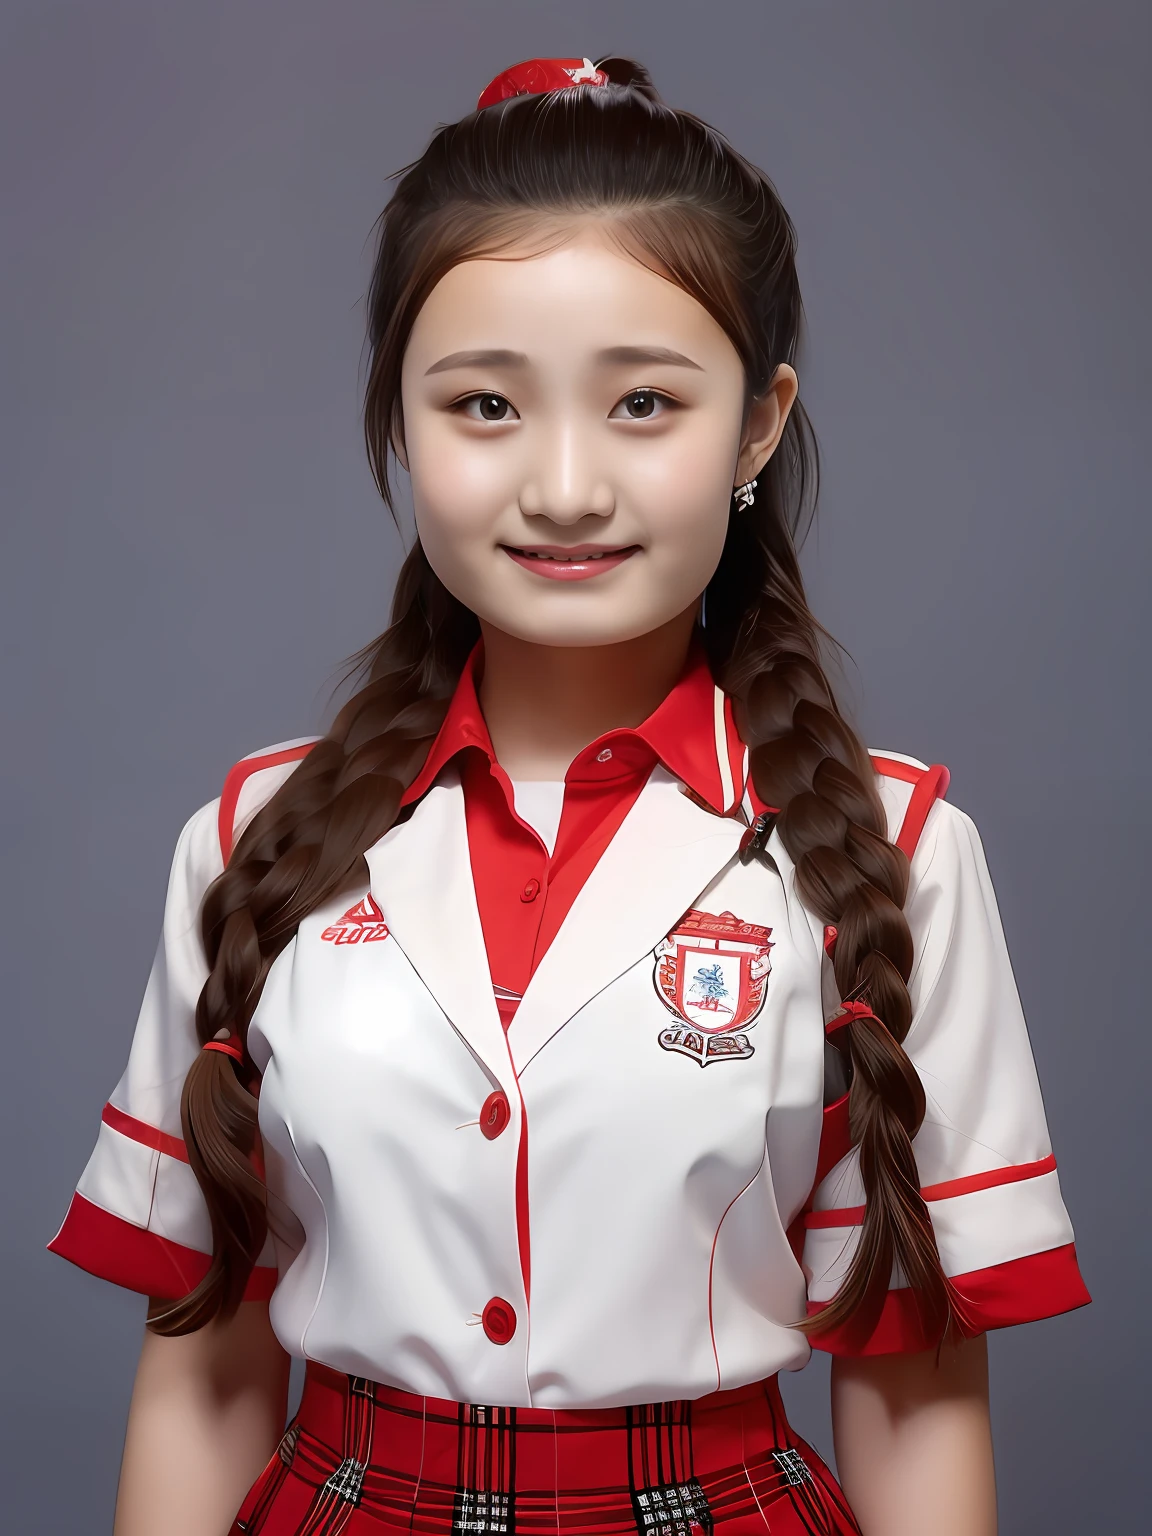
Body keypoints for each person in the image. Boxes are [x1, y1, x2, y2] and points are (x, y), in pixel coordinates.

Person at [48, 54, 1090, 1536]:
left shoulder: (903, 853)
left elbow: (915, 1395)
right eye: (482, 403)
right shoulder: (249, 841)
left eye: (645, 405)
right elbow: (206, 1367)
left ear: (757, 425)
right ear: (398, 424)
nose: (564, 483)